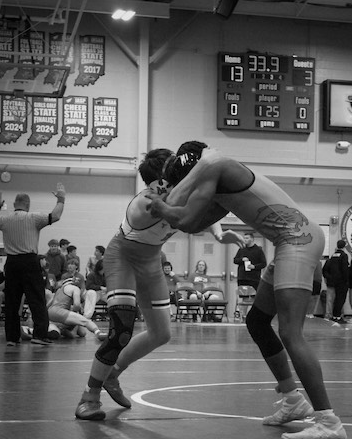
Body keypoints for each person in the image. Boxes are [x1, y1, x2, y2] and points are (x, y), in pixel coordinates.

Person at [146, 141, 347, 439]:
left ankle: (329, 422)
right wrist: (167, 208)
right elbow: (192, 222)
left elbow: (182, 216)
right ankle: (293, 400)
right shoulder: (220, 180)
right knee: (257, 321)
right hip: (290, 241)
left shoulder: (216, 166)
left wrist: (161, 205)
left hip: (298, 240)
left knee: (291, 333)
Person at [75, 147, 244, 421]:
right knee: (121, 330)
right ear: (163, 179)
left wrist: (219, 233)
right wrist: (205, 167)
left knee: (161, 333)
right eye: (175, 171)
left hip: (152, 260)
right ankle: (89, 396)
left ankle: (112, 374)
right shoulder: (144, 203)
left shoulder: (176, 191)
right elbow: (181, 205)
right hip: (123, 257)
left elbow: (197, 206)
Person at [0, 185, 66, 346]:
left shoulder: (4, 219)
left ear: (14, 204)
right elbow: (56, 216)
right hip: (29, 262)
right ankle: (39, 335)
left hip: (12, 263)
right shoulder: (33, 217)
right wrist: (61, 199)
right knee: (37, 299)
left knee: (12, 302)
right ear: (27, 204)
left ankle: (12, 338)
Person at [322, 240, 349, 325]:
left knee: (330, 300)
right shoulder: (344, 256)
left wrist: (329, 278)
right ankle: (337, 316)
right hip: (341, 282)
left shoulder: (332, 257)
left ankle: (330, 316)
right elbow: (344, 269)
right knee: (340, 299)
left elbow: (325, 270)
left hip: (332, 282)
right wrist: (346, 280)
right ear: (344, 247)